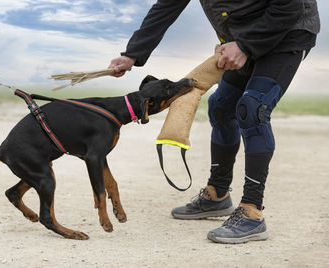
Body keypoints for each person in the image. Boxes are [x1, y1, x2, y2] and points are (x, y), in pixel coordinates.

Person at [109, 0, 320, 244]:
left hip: (287, 31)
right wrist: (132, 54)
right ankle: (217, 194)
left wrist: (244, 45)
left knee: (252, 108)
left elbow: (289, 6)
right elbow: (167, 6)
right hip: (240, 36)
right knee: (220, 107)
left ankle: (252, 212)